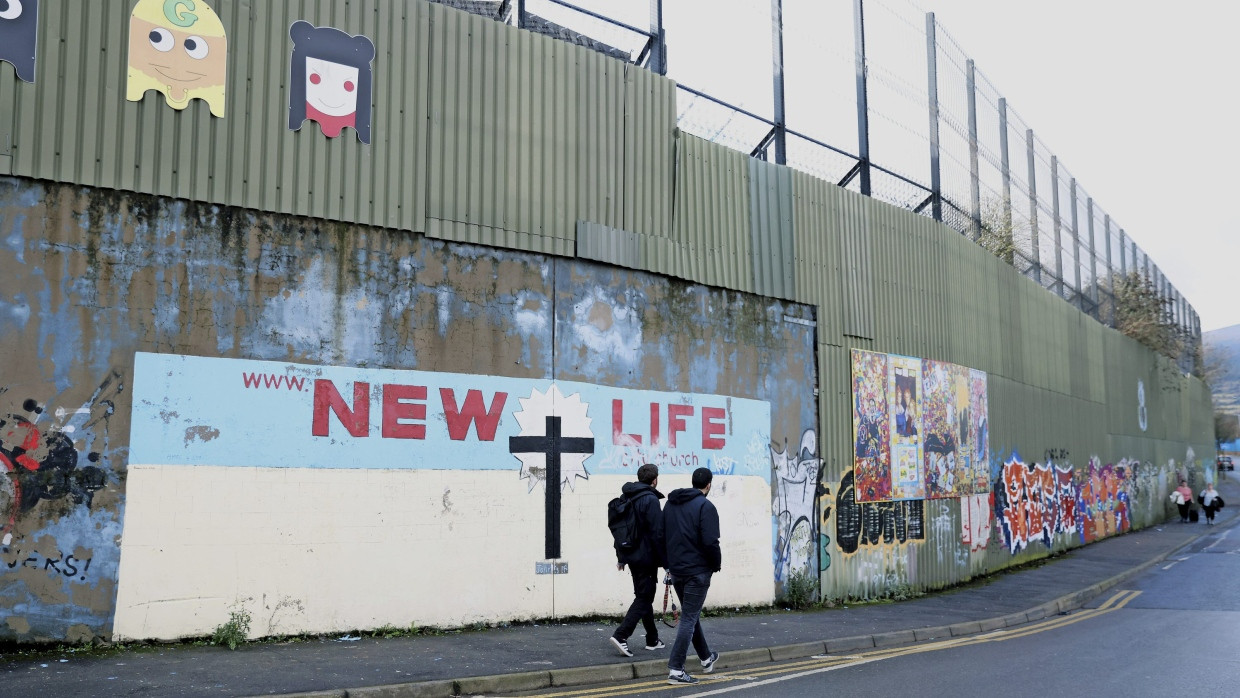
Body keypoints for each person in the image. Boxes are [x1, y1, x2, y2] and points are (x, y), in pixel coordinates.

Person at [662, 467, 721, 686]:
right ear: (708, 485)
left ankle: (706, 658)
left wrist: (668, 565)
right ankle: (676, 670)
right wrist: (715, 565)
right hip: (697, 572)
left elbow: (662, 536)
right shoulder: (706, 506)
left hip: (677, 571)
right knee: (688, 618)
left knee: (690, 615)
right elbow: (710, 542)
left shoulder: (670, 504)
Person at [609, 463, 666, 657]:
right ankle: (621, 635)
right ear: (654, 480)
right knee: (644, 597)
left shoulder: (628, 496)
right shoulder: (650, 499)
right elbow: (658, 534)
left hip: (632, 556)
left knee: (644, 596)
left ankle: (652, 639)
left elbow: (620, 529)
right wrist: (667, 563)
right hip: (646, 557)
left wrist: (621, 557)